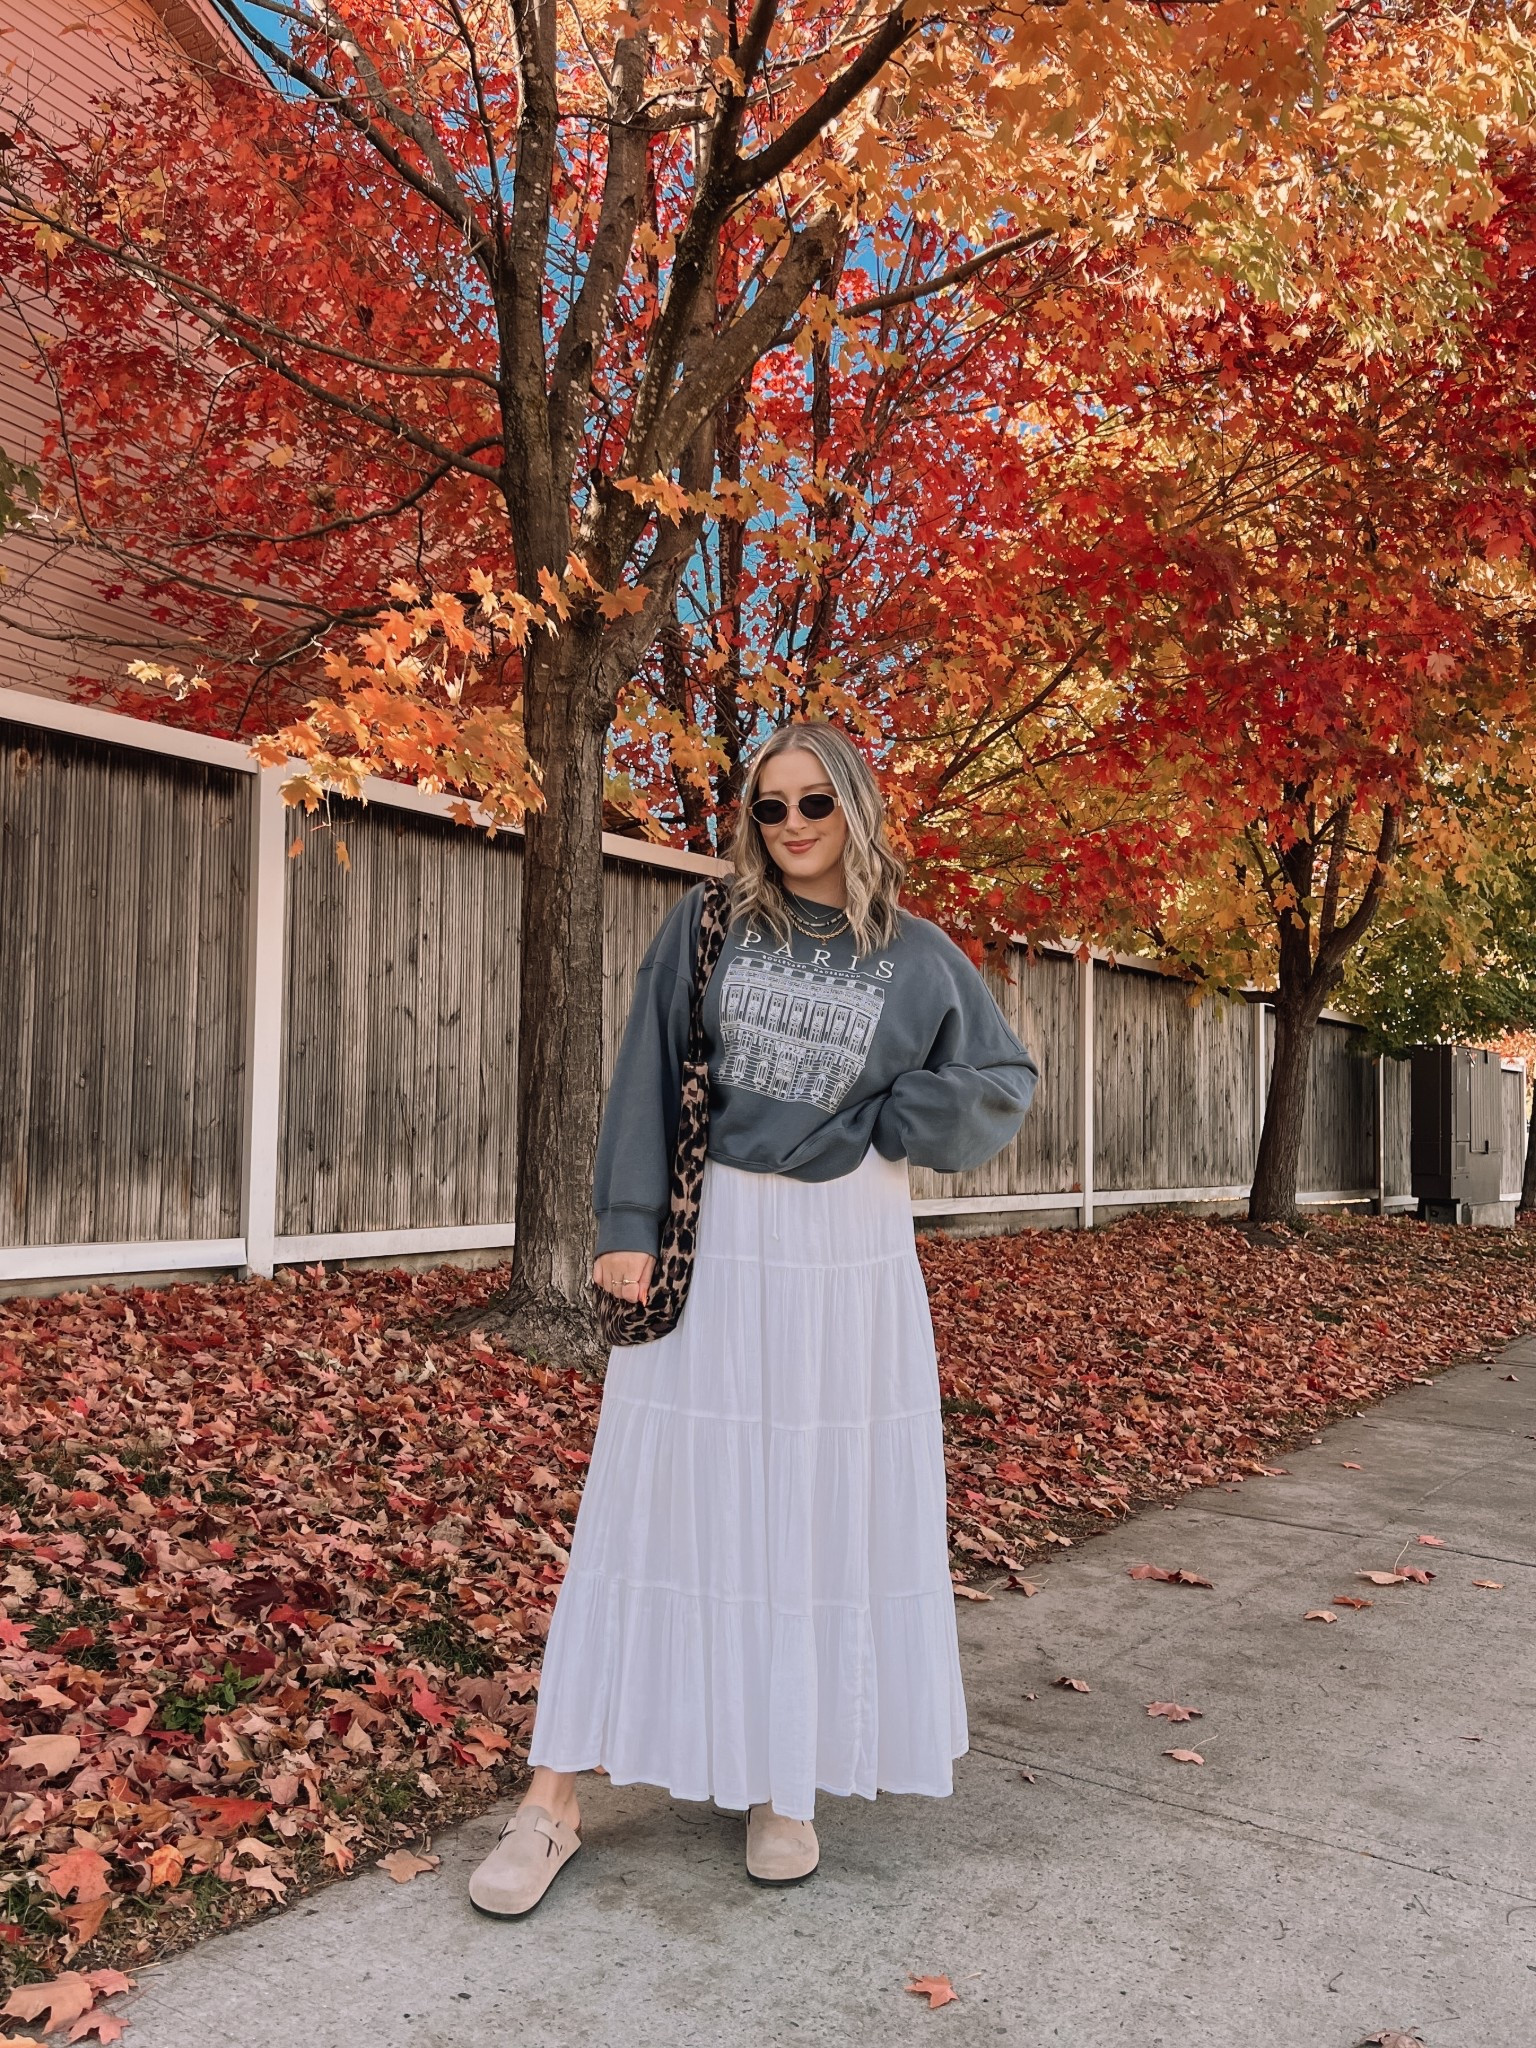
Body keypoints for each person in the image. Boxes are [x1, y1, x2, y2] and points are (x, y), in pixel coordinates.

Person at [468, 720, 1039, 1915]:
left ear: (856, 809)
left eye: (812, 805)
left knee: (816, 1502)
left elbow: (1001, 1084)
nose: (789, 828)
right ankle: (551, 1798)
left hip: (849, 1250)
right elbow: (647, 1061)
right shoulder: (709, 924)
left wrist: (895, 1113)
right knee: (652, 1490)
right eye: (769, 807)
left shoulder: (919, 956)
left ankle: (787, 1781)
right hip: (715, 1233)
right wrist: (625, 1222)